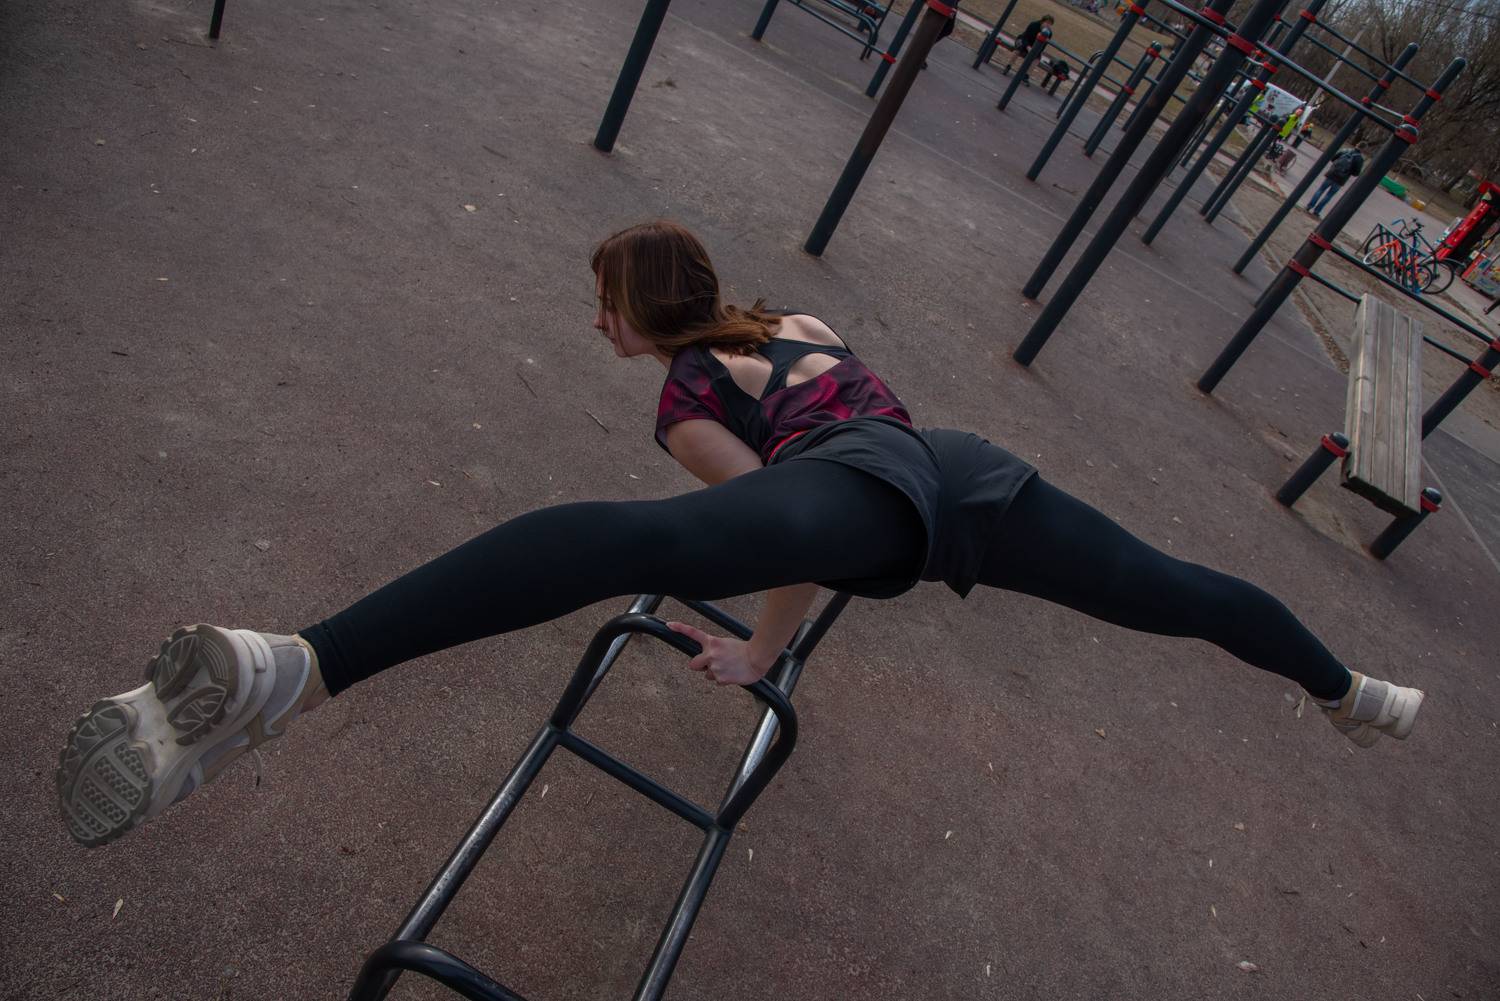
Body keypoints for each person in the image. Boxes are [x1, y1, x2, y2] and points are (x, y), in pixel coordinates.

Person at [56, 220, 1426, 849]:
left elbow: (784, 536)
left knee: (643, 543)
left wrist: (764, 654)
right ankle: (1348, 691)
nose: (596, 324)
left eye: (602, 304)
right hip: (964, 474)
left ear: (638, 312)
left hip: (870, 488)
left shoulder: (686, 400)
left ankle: (297, 667)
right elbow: (844, 445)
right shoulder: (792, 320)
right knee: (1172, 590)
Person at [1307, 146, 1365, 217]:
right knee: (1329, 195)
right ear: (1363, 150)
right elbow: (1356, 173)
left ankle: (1309, 206)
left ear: (1356, 145)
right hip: (1341, 179)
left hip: (1331, 174)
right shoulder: (1359, 159)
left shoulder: (1345, 150)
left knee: (1320, 190)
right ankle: (1317, 211)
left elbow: (1333, 159)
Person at [1003, 15, 1054, 82]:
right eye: (1047, 23)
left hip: (1034, 47)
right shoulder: (1033, 25)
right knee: (1018, 50)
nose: (1048, 25)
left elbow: (1043, 46)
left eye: (1050, 24)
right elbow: (1025, 37)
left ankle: (1026, 76)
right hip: (1023, 40)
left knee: (1037, 59)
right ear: (1042, 21)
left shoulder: (1049, 33)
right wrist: (1028, 47)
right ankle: (1008, 66)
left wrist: (1036, 52)